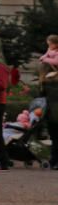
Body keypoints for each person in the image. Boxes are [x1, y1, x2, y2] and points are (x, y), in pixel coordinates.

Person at [39, 35, 58, 169]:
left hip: (53, 112)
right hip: (53, 111)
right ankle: (54, 159)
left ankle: (54, 159)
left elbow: (42, 95)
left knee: (55, 136)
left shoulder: (49, 83)